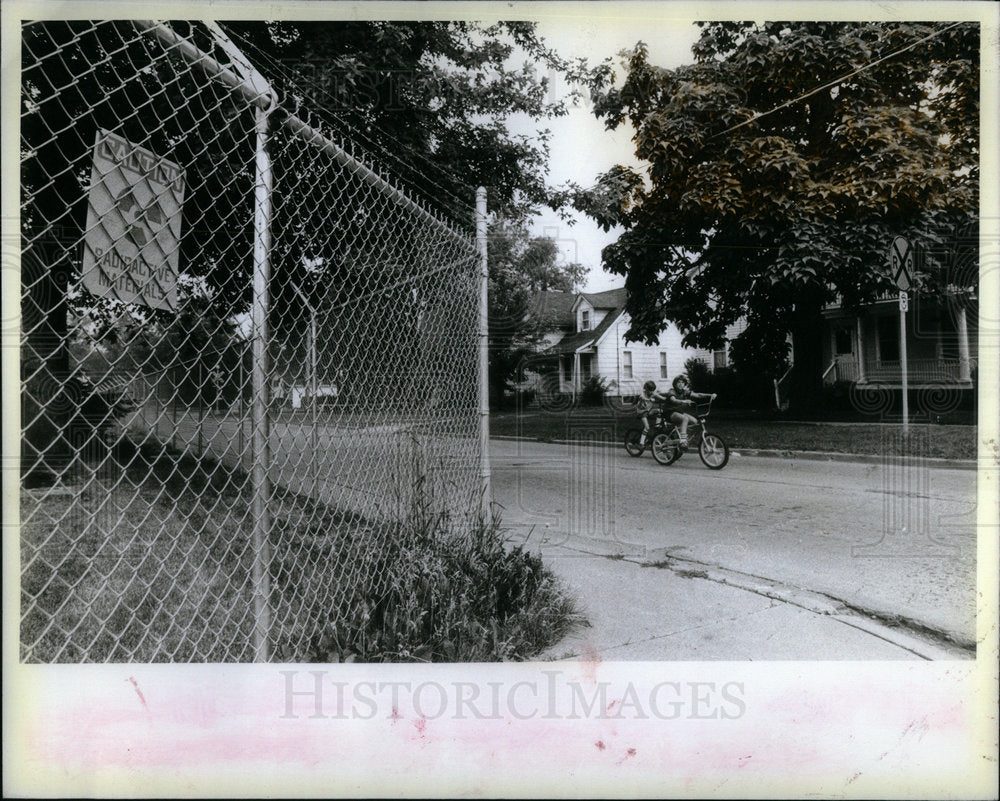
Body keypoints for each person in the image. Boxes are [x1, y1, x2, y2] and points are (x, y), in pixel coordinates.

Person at [664, 374, 715, 448]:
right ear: (675, 384)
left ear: (684, 384)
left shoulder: (685, 392)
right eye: (678, 382)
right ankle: (683, 441)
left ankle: (681, 434)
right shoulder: (672, 391)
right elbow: (673, 400)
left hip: (679, 412)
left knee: (695, 421)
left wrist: (710, 395)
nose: (680, 384)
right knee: (685, 418)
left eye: (682, 383)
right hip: (670, 413)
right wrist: (683, 401)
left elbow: (698, 395)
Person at [636, 380, 667, 450]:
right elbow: (643, 398)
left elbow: (663, 398)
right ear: (646, 389)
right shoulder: (642, 394)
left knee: (660, 411)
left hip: (648, 411)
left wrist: (668, 399)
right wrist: (650, 399)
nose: (651, 392)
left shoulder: (653, 394)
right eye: (650, 390)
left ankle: (657, 425)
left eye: (653, 390)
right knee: (647, 427)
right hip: (641, 412)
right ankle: (641, 442)